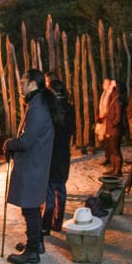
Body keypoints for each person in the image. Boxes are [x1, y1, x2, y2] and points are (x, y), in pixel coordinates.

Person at [4, 69, 59, 264]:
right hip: (36, 162)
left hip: (33, 163)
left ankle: (33, 251)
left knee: (30, 208)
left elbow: (27, 141)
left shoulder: (38, 107)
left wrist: (10, 143)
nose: (20, 86)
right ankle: (36, 243)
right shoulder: (38, 102)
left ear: (32, 84)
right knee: (31, 206)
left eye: (23, 82)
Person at [43, 78, 75, 233]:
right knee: (60, 188)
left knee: (49, 189)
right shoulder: (70, 107)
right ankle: (58, 221)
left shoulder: (51, 107)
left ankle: (46, 223)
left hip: (51, 151)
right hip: (64, 151)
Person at [97, 77, 122, 176]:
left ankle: (118, 170)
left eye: (111, 85)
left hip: (114, 128)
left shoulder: (116, 98)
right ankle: (114, 168)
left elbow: (118, 115)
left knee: (115, 149)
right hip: (110, 126)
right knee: (112, 148)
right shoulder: (112, 97)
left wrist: (113, 123)